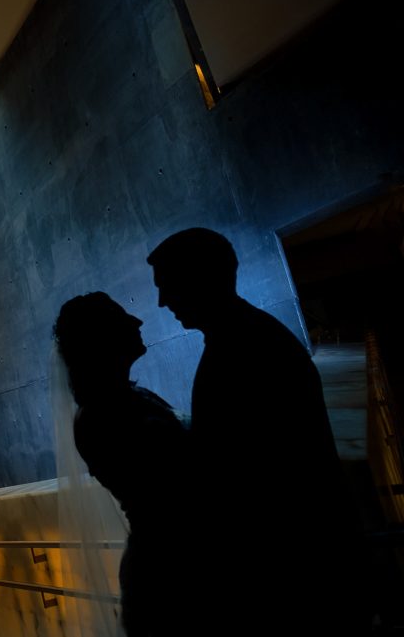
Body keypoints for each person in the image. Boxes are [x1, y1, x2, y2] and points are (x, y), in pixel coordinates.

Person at [148, 227, 364, 636]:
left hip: (292, 570)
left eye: (168, 286)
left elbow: (253, 471)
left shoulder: (245, 347)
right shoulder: (245, 337)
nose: (163, 301)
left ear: (201, 277)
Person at [54, 292, 197, 637]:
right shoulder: (103, 417)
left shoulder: (128, 400)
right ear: (101, 339)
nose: (138, 321)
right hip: (170, 572)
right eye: (123, 317)